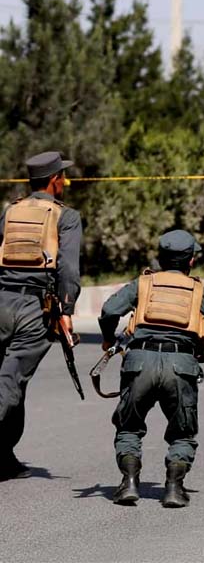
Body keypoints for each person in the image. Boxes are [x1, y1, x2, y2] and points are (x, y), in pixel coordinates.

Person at [98, 230, 204, 508]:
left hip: (139, 363)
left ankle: (129, 483)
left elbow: (109, 310)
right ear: (191, 261)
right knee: (182, 432)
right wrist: (190, 360)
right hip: (181, 366)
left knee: (129, 426)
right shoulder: (201, 292)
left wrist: (108, 339)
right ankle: (174, 489)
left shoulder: (142, 284)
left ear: (160, 257)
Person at [0, 151, 82, 481]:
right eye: (61, 176)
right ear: (53, 181)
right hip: (34, 309)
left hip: (1, 299)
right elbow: (68, 269)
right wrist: (66, 310)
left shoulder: (11, 211)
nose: (64, 181)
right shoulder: (66, 216)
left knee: (13, 381)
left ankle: (3, 456)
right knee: (9, 381)